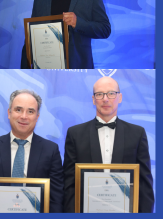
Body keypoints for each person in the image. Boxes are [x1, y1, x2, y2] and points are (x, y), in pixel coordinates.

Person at [63, 77, 154, 213]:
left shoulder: (137, 133)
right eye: (99, 94)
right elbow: (69, 182)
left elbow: (144, 183)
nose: (105, 99)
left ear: (120, 97)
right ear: (93, 99)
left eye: (111, 93)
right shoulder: (75, 133)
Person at [0, 90, 64, 213]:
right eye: (18, 110)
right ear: (9, 113)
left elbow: (56, 198)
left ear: (37, 117)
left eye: (30, 111)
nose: (23, 116)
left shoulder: (50, 150)